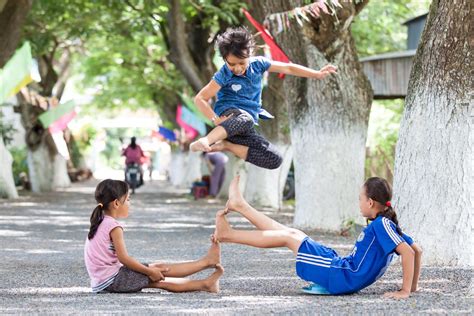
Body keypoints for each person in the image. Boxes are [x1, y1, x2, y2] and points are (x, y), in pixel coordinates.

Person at [213, 176, 422, 298]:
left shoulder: (382, 224)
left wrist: (405, 291)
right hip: (340, 268)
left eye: (360, 198)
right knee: (294, 234)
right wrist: (412, 287)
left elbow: (409, 253)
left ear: (370, 202)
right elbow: (416, 250)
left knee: (289, 238)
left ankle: (228, 234)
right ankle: (240, 206)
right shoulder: (387, 223)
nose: (358, 203)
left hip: (341, 276)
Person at [190, 26, 337, 169]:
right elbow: (200, 98)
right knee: (245, 118)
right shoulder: (223, 74)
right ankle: (207, 140)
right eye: (232, 64)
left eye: (242, 62)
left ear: (250, 54)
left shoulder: (258, 64)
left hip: (245, 124)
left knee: (274, 159)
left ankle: (226, 145)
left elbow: (288, 68)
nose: (237, 68)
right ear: (224, 60)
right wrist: (215, 119)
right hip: (229, 114)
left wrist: (316, 74)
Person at [84, 179, 224, 293]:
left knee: (158, 267)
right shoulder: (114, 227)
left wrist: (150, 269)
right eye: (128, 199)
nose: (129, 203)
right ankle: (205, 282)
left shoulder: (100, 220)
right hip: (112, 280)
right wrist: (149, 271)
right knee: (159, 279)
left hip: (103, 280)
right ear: (116, 203)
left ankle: (207, 263)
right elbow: (124, 258)